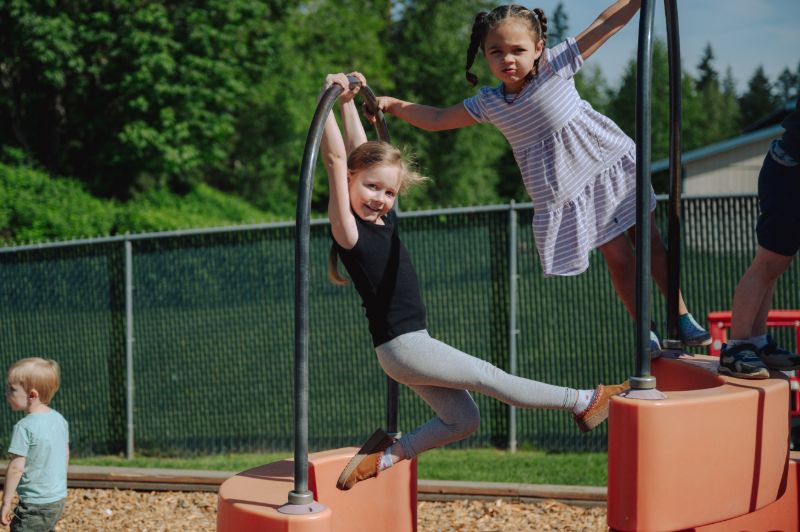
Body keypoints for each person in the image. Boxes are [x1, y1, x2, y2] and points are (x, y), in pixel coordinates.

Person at [319, 72, 629, 491]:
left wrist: (348, 104)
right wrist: (329, 95)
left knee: (464, 420)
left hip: (410, 345)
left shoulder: (382, 217)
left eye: (389, 192)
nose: (380, 198)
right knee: (490, 376)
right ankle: (582, 402)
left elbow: (362, 155)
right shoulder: (349, 231)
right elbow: (341, 160)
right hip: (404, 347)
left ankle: (383, 457)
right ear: (351, 184)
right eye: (372, 188)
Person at [365, 1, 710, 356]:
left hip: (608, 164)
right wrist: (392, 104)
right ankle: (644, 328)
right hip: (573, 188)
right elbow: (437, 118)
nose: (507, 59)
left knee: (649, 242)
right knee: (619, 257)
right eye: (496, 52)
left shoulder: (556, 66)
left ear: (538, 48)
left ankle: (679, 312)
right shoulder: (490, 103)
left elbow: (606, 22)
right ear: (485, 56)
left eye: (518, 50)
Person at [718, 98, 800, 379]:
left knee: (777, 264)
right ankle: (735, 348)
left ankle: (757, 341)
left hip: (789, 168)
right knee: (768, 261)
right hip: (790, 170)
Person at [2, 358, 69, 531]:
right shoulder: (59, 419)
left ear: (32, 395)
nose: (6, 393)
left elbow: (16, 468)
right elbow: (65, 454)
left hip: (35, 503)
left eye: (12, 389)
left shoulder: (24, 427)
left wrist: (6, 501)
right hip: (57, 498)